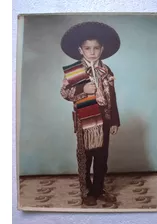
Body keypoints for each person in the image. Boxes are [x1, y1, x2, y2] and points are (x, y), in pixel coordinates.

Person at [60, 21, 121, 206]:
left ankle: (99, 189)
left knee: (102, 157)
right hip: (85, 121)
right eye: (88, 48)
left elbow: (112, 95)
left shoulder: (105, 70)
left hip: (104, 118)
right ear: (81, 50)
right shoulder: (74, 71)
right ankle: (86, 192)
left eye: (96, 48)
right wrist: (82, 89)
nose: (92, 52)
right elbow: (64, 93)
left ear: (101, 49)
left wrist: (115, 121)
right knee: (85, 157)